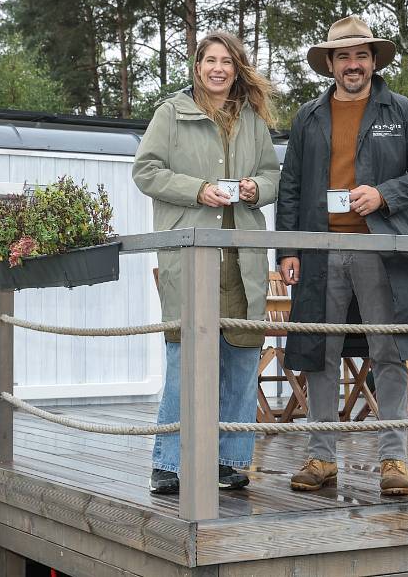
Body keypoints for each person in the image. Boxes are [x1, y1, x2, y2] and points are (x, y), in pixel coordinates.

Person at [275, 16, 408, 496]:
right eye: (344, 56)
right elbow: (289, 188)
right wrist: (287, 249)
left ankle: (393, 460)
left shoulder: (402, 110)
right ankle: (321, 458)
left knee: (388, 350)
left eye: (361, 55)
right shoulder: (308, 117)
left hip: (381, 249)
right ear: (330, 63)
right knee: (319, 353)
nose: (353, 64)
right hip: (320, 250)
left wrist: (385, 194)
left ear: (374, 61)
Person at [133, 31, 281, 495]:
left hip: (243, 261)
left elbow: (274, 175)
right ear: (197, 66)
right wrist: (198, 189)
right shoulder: (170, 113)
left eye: (228, 62)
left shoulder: (253, 120)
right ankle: (168, 465)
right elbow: (146, 171)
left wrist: (258, 187)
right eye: (210, 60)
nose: (219, 69)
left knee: (240, 360)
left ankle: (229, 461)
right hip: (191, 258)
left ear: (237, 70)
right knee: (184, 362)